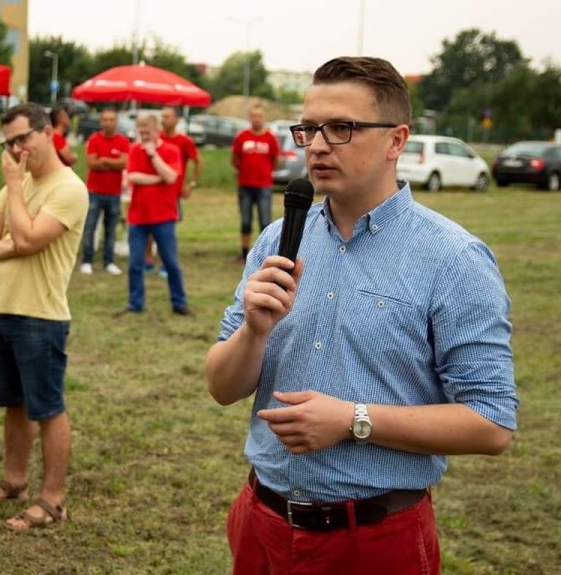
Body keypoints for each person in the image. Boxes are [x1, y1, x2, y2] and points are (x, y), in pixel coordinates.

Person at [205, 56, 519, 574]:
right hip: (263, 522)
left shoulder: (453, 259)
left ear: (396, 140)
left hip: (374, 539)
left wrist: (353, 420)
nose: (318, 145)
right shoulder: (277, 240)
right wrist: (253, 335)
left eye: (341, 128)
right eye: (309, 129)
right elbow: (221, 388)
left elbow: (491, 423)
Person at [0, 103, 88, 532]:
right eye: (9, 143)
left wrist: (15, 191)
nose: (16, 150)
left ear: (48, 133)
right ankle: (14, 480)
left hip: (41, 316)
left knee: (48, 408)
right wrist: (11, 244)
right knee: (14, 404)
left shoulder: (68, 189)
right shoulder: (16, 186)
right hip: (3, 310)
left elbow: (30, 238)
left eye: (22, 139)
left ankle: (53, 500)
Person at [116, 114, 191, 316]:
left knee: (170, 262)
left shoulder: (171, 150)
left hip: (164, 215)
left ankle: (179, 303)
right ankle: (135, 303)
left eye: (147, 132)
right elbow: (132, 176)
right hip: (138, 216)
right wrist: (159, 178)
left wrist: (153, 156)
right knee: (135, 263)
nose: (144, 136)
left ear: (157, 131)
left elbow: (171, 177)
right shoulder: (134, 150)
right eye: (141, 132)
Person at [148, 105, 202, 277]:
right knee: (148, 228)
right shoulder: (156, 138)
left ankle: (166, 263)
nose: (163, 120)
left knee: (166, 231)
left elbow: (197, 161)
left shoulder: (184, 141)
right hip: (154, 191)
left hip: (172, 193)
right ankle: (148, 261)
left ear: (177, 120)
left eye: (167, 117)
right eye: (162, 116)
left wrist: (191, 184)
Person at [79, 107, 130, 275]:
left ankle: (109, 262)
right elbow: (92, 163)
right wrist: (113, 163)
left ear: (116, 122)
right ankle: (87, 260)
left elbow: (124, 163)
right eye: (105, 119)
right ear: (101, 122)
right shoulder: (94, 140)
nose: (108, 123)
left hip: (114, 193)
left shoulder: (122, 141)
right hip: (94, 191)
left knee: (111, 229)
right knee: (90, 227)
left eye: (111, 120)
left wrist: (105, 160)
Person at [231, 106, 279, 263]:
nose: (256, 119)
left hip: (264, 185)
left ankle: (265, 253)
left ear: (263, 118)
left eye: (259, 116)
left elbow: (275, 160)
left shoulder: (270, 138)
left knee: (265, 221)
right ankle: (244, 252)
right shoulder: (242, 137)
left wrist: (265, 171)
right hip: (245, 185)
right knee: (245, 221)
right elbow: (234, 159)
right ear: (250, 118)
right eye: (254, 116)